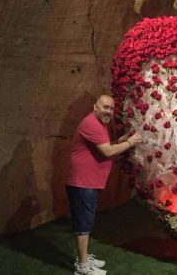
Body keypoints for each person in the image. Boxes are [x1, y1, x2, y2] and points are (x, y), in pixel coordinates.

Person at [66, 95, 142, 275]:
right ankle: (82, 266)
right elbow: (107, 152)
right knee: (83, 223)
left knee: (86, 221)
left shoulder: (99, 125)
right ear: (95, 107)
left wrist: (118, 143)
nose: (108, 111)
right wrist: (131, 142)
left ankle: (83, 258)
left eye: (111, 108)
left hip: (88, 181)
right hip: (83, 182)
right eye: (105, 107)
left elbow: (104, 147)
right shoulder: (92, 123)